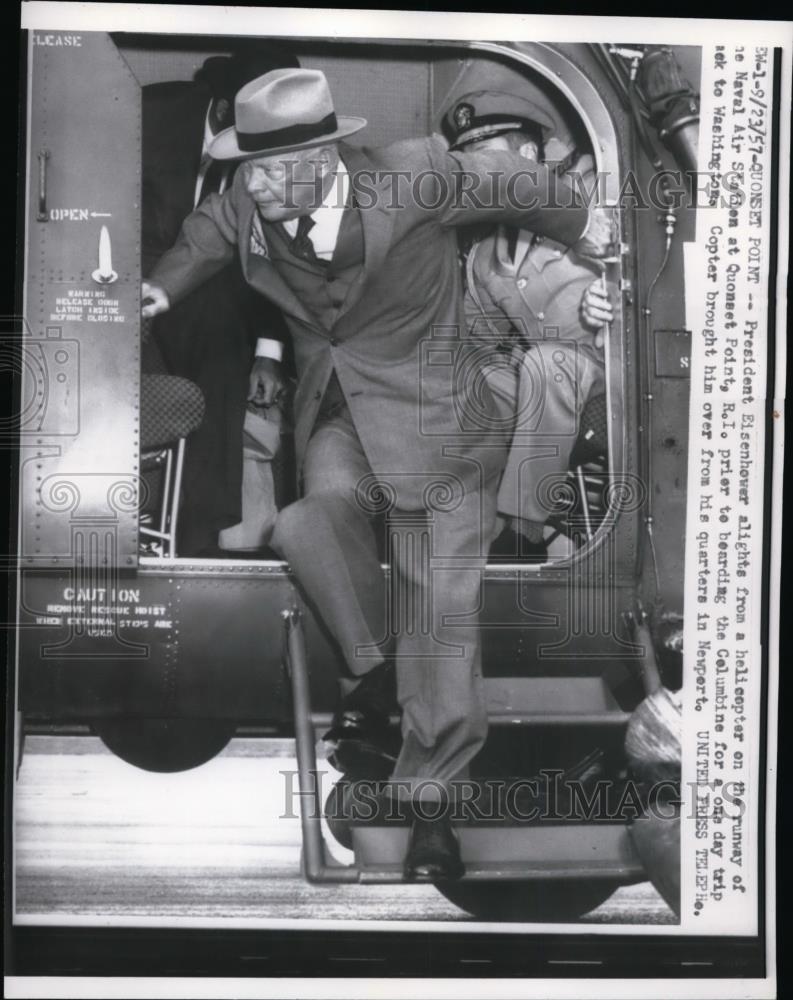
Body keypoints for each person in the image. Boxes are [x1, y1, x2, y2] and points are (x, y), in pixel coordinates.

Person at [141, 68, 613, 881]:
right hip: (339, 414)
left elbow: (523, 182)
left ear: (322, 158)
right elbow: (206, 235)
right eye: (245, 166)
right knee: (305, 523)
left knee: (437, 598)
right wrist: (155, 288)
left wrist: (594, 243)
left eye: (269, 167)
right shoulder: (251, 202)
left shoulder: (414, 174)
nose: (253, 183)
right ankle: (380, 670)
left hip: (443, 415)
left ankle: (431, 809)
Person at [443, 90, 615, 557]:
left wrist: (612, 295)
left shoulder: (596, 195)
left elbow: (644, 273)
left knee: (546, 362)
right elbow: (477, 342)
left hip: (608, 371)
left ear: (527, 156)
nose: (477, 178)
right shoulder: (482, 256)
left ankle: (524, 532)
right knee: (460, 379)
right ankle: (459, 522)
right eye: (468, 167)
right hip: (543, 380)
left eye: (486, 162)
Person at [141, 48, 297, 556]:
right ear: (226, 110)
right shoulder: (147, 113)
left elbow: (281, 252)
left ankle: (202, 533)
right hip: (134, 281)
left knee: (225, 334)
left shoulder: (276, 158)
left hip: (223, 298)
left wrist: (268, 354)